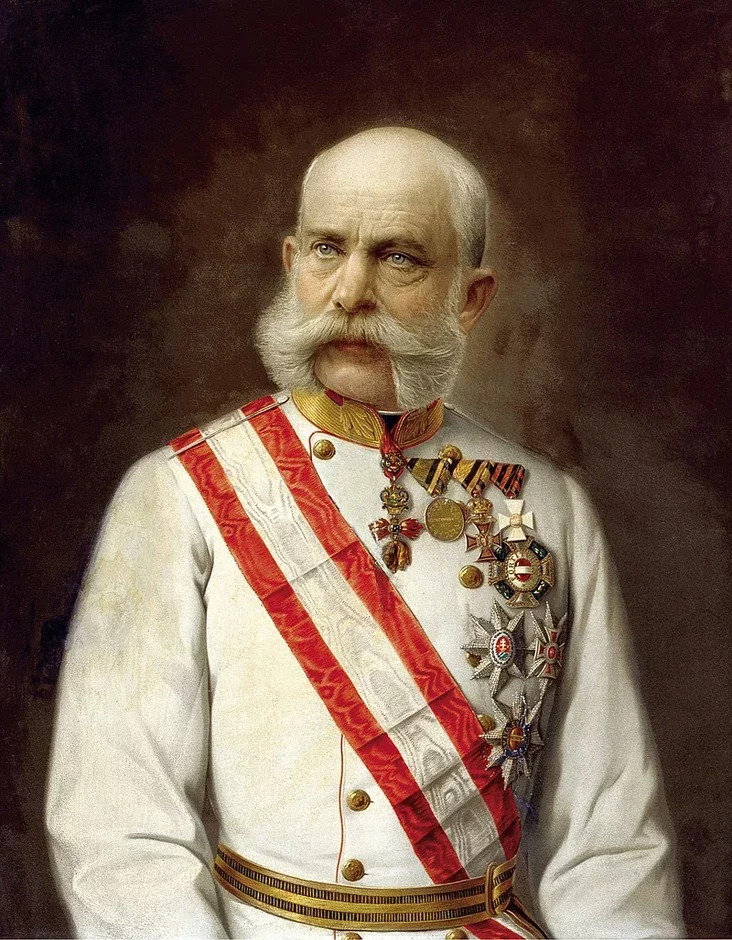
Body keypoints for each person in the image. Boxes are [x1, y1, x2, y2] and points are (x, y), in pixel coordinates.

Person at [45, 127, 684, 939]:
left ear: (471, 297)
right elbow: (119, 825)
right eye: (326, 250)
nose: (350, 291)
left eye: (398, 257)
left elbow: (610, 845)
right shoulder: (177, 494)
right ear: (291, 264)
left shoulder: (548, 508)